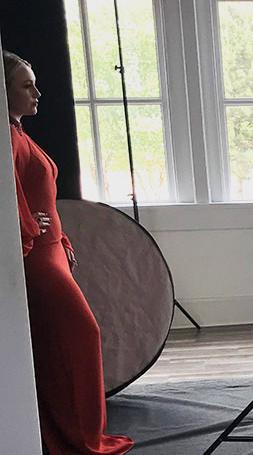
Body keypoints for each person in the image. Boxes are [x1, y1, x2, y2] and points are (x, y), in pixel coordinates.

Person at [4, 50, 133, 454]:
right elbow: (10, 197)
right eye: (27, 86)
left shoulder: (18, 131)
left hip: (51, 251)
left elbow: (41, 195)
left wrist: (60, 238)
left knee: (56, 346)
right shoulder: (7, 137)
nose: (38, 92)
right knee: (81, 336)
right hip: (38, 259)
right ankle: (81, 439)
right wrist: (27, 226)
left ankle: (69, 433)